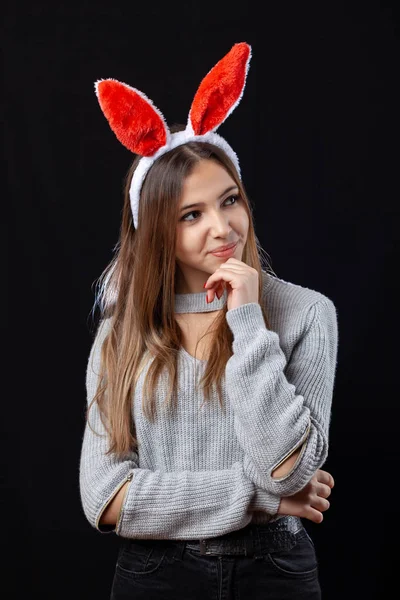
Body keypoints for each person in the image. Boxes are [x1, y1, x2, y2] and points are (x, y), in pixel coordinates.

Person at [79, 42, 338, 600]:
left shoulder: (308, 314)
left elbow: (291, 470)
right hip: (155, 577)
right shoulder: (118, 335)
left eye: (229, 201)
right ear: (156, 233)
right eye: (191, 215)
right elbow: (104, 498)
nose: (221, 228)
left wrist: (247, 318)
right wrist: (259, 498)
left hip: (277, 574)